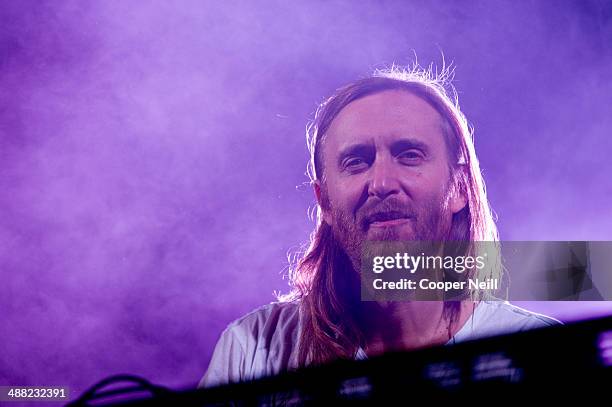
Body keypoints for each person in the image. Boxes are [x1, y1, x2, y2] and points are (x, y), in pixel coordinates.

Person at [199, 65, 559, 388]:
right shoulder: (251, 349)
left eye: (409, 155)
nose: (382, 182)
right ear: (324, 201)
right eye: (357, 162)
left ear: (460, 188)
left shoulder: (537, 350)